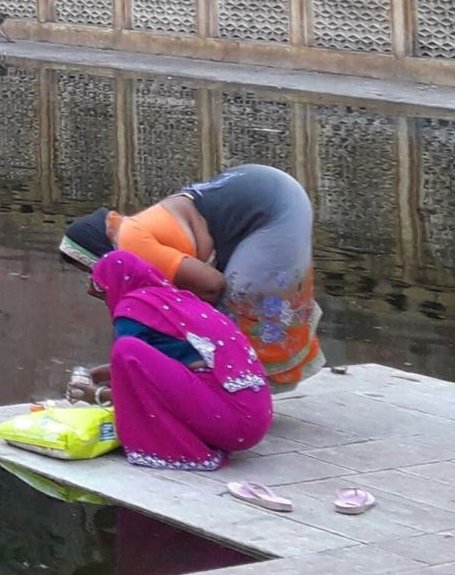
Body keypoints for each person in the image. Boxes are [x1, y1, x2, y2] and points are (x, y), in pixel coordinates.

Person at [61, 163, 323, 388]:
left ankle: (242, 404)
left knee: (241, 316)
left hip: (272, 207)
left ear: (102, 256)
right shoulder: (137, 229)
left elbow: (212, 286)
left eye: (91, 272)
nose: (93, 286)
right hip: (271, 191)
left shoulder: (130, 243)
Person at [85, 249, 273, 471]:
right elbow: (167, 365)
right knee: (130, 354)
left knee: (126, 350)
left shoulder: (132, 307)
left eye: (104, 295)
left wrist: (96, 394)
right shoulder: (183, 302)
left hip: (231, 422)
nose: (108, 303)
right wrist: (100, 374)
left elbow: (130, 373)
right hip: (257, 418)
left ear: (116, 286)